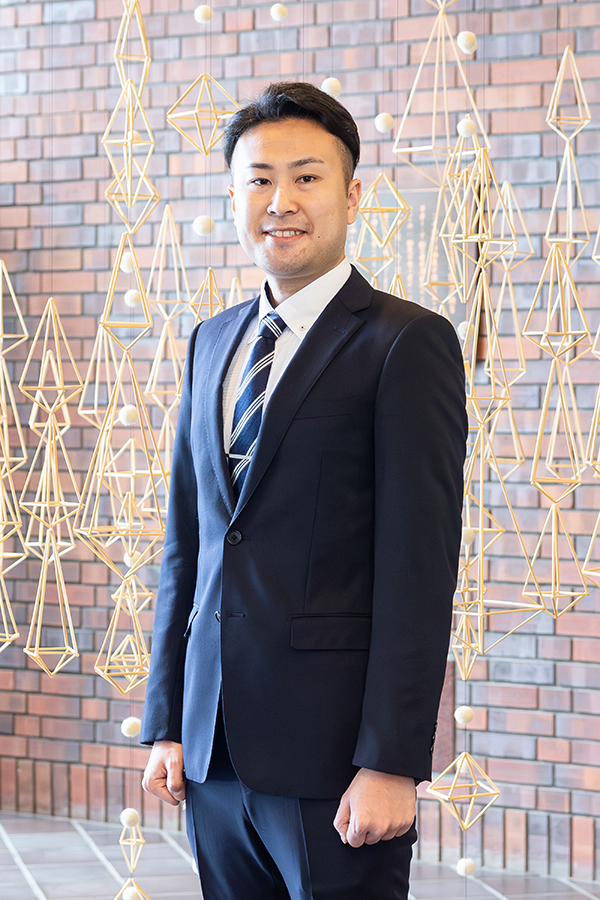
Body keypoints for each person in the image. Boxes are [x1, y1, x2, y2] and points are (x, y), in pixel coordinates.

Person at [141, 81, 467, 900]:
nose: (280, 201)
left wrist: (392, 760)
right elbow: (189, 546)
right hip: (212, 754)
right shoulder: (211, 341)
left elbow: (419, 572)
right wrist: (168, 722)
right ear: (233, 196)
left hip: (336, 761)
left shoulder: (406, 343)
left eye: (306, 177)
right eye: (258, 179)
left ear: (351, 196)